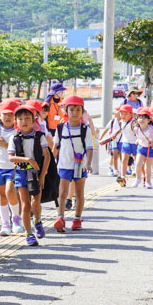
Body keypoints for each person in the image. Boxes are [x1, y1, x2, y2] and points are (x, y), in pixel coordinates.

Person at [8, 105, 50, 246]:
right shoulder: (14, 137)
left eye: (27, 118)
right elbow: (11, 158)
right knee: (25, 205)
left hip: (36, 173)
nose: (24, 121)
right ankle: (29, 234)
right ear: (16, 121)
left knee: (35, 202)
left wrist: (43, 175)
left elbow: (47, 155)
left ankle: (37, 221)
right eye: (20, 119)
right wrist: (27, 160)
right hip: (21, 172)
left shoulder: (39, 136)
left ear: (34, 120)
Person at [53, 96, 94, 232]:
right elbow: (55, 147)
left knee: (79, 192)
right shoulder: (60, 128)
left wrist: (88, 163)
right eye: (71, 109)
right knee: (62, 192)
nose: (75, 112)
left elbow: (89, 148)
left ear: (82, 111)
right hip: (64, 165)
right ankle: (60, 217)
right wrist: (51, 164)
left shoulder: (85, 129)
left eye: (78, 109)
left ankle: (77, 219)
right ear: (66, 111)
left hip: (80, 166)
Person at [0, 100, 23, 236]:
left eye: (11, 114)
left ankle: (16, 220)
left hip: (13, 167)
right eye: (4, 114)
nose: (7, 117)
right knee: (2, 195)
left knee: (10, 192)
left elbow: (21, 152)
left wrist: (6, 145)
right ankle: (5, 224)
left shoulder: (18, 131)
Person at [100, 105, 132, 179]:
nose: (116, 113)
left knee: (122, 157)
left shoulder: (124, 121)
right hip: (113, 140)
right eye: (117, 111)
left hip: (122, 140)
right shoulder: (112, 121)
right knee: (114, 156)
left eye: (118, 111)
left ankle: (122, 170)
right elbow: (106, 129)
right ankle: (115, 170)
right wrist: (101, 138)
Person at [133, 107, 153, 189]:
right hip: (141, 148)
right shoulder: (136, 129)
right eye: (139, 117)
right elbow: (139, 137)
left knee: (147, 167)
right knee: (138, 164)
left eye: (144, 118)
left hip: (151, 149)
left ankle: (148, 182)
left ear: (148, 120)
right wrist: (138, 140)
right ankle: (138, 179)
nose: (141, 119)